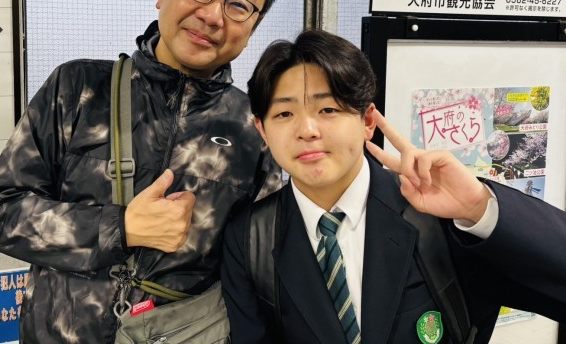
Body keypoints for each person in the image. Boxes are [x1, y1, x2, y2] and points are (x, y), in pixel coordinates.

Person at [0, 0, 282, 343]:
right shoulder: (78, 88)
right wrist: (120, 228)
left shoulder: (254, 129)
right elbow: (0, 212)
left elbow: (268, 264)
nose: (213, 14)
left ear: (253, 26)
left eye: (239, 5)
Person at [221, 29, 566, 344]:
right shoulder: (250, 238)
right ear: (263, 130)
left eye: (328, 109)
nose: (307, 130)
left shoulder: (438, 213)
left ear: (368, 121)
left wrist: (479, 207)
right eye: (284, 114)